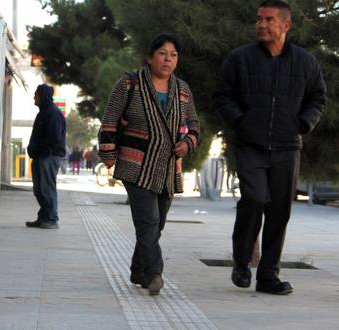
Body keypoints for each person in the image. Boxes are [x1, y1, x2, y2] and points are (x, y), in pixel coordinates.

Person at [214, 0, 326, 295]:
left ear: (286, 25)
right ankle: (242, 262)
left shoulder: (305, 62)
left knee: (279, 211)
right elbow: (223, 95)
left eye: (269, 20)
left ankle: (268, 277)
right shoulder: (240, 59)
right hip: (250, 145)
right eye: (259, 19)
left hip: (288, 147)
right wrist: (242, 121)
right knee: (253, 198)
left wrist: (303, 124)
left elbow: (318, 98)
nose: (261, 24)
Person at [98, 33, 200, 295]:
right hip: (136, 165)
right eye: (162, 53)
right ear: (150, 57)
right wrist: (109, 156)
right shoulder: (128, 84)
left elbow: (195, 126)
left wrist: (188, 142)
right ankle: (154, 273)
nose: (168, 59)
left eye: (173, 55)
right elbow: (110, 120)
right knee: (148, 222)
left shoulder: (183, 91)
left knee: (158, 224)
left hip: (167, 169)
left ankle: (137, 269)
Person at [26, 84, 67, 229]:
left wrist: (41, 150)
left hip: (48, 157)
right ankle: (43, 217)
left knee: (46, 188)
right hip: (40, 157)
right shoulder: (43, 112)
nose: (34, 97)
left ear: (43, 96)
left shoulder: (53, 113)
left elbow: (53, 138)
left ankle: (51, 219)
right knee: (39, 189)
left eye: (36, 94)